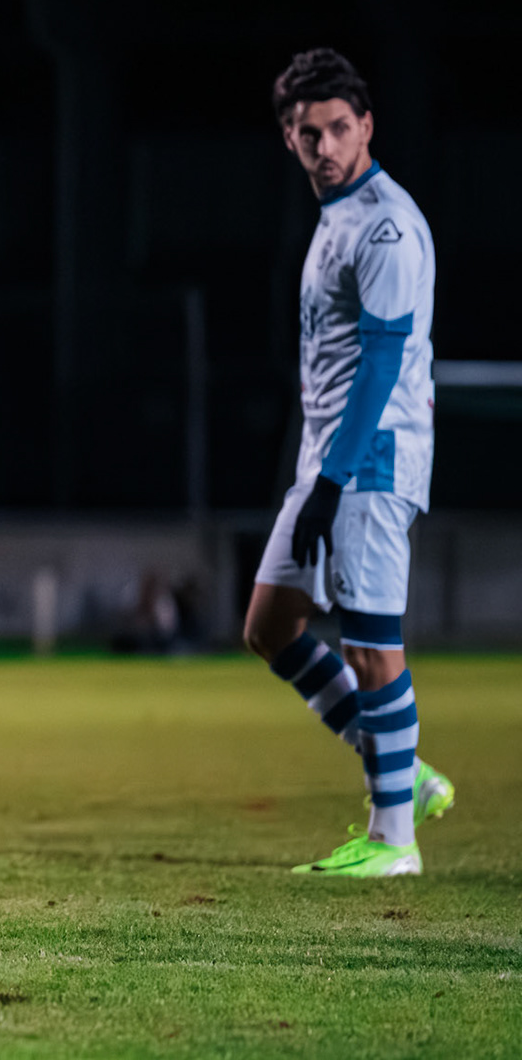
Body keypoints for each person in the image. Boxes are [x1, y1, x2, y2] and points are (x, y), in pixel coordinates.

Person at [242, 48, 451, 878]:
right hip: (327, 462)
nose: (323, 145)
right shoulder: (337, 214)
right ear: (288, 138)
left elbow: (383, 359)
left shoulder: (385, 224)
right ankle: (405, 772)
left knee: (371, 646)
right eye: (307, 133)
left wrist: (333, 480)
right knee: (269, 626)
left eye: (337, 128)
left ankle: (394, 839)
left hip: (369, 457)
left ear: (366, 126)